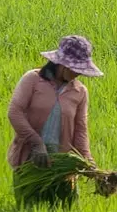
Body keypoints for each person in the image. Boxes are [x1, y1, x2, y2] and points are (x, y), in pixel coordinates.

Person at [8, 34, 100, 186]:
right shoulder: (32, 80)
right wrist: (36, 143)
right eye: (76, 69)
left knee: (63, 206)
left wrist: (89, 163)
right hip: (29, 158)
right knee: (30, 205)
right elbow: (14, 112)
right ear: (62, 65)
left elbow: (80, 131)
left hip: (62, 165)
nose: (80, 73)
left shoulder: (80, 92)